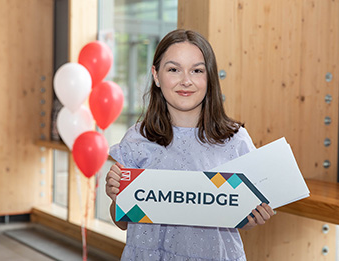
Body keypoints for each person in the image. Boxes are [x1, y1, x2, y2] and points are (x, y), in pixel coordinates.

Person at [106, 29, 275, 261]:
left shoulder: (235, 141)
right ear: (156, 75)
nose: (186, 80)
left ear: (209, 77)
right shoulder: (137, 140)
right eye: (173, 69)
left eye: (197, 70)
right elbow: (122, 222)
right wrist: (117, 198)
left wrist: (254, 217)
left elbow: (240, 219)